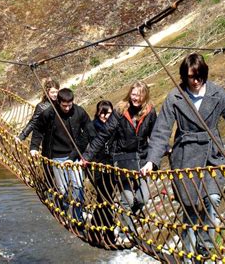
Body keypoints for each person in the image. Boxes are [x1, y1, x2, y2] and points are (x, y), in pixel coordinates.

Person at [140, 53, 225, 260]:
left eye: (199, 77)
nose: (195, 82)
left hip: (213, 157)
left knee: (211, 199)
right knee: (191, 211)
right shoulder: (175, 97)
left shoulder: (217, 94)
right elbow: (161, 130)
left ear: (204, 74)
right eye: (190, 77)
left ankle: (205, 251)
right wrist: (151, 161)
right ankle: (186, 255)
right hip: (185, 159)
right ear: (184, 76)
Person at [84, 81, 157, 243]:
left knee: (143, 198)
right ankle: (130, 234)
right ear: (129, 94)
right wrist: (86, 156)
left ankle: (125, 219)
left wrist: (160, 152)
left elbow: (156, 134)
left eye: (139, 95)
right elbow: (103, 135)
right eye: (133, 94)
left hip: (142, 160)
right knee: (128, 200)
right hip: (123, 161)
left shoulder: (150, 111)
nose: (135, 98)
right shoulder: (120, 111)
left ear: (145, 95)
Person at [29, 88, 91, 224]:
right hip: (56, 156)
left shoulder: (79, 112)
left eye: (70, 105)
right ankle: (62, 210)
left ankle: (77, 219)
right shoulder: (49, 113)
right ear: (58, 102)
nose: (68, 108)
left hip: (74, 156)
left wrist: (88, 154)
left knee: (78, 187)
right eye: (64, 105)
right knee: (62, 189)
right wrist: (34, 147)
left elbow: (89, 130)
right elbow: (38, 129)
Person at [84, 100, 117, 247]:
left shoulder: (115, 125)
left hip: (112, 167)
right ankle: (107, 235)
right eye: (102, 113)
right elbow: (82, 143)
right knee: (105, 199)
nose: (104, 116)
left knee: (105, 200)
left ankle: (95, 232)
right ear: (97, 113)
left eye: (107, 112)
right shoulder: (91, 127)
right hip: (96, 167)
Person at [16, 78, 60, 142]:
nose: (55, 94)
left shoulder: (62, 102)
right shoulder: (41, 107)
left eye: (57, 92)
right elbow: (33, 122)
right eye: (52, 92)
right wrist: (21, 136)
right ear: (47, 93)